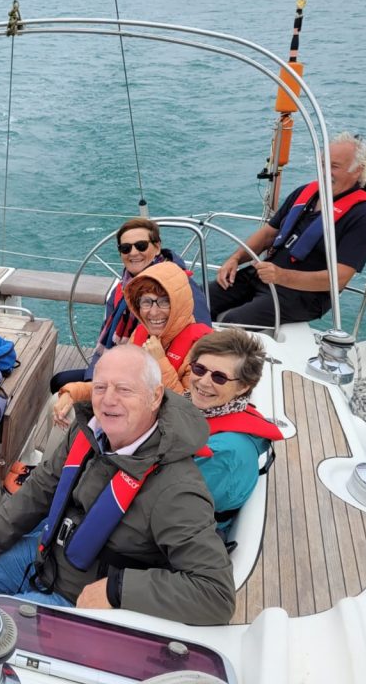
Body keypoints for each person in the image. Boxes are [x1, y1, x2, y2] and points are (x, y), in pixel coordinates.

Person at [0, 345, 235, 626]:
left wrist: (118, 590)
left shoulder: (177, 489)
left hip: (79, 602)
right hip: (42, 558)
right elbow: (42, 487)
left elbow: (216, 594)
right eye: (100, 388)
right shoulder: (89, 430)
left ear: (155, 397)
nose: (108, 400)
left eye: (124, 389)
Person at [210, 133, 366, 327]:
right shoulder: (305, 192)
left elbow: (339, 279)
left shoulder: (363, 216)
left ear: (357, 171)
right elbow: (268, 234)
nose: (324, 172)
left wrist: (281, 276)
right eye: (323, 164)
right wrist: (235, 259)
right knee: (198, 299)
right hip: (265, 276)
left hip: (303, 296)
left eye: (334, 167)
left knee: (234, 321)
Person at [51, 217, 211, 392]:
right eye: (125, 248)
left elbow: (202, 346)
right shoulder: (122, 289)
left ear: (157, 247)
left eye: (141, 245)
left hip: (163, 377)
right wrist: (93, 380)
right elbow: (107, 345)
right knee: (60, 382)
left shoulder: (184, 289)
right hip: (125, 371)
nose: (133, 253)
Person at [53, 261, 213, 426]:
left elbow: (188, 414)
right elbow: (114, 382)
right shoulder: (140, 334)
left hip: (164, 434)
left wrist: (159, 361)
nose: (153, 312)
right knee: (59, 403)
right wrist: (73, 393)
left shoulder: (202, 350)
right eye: (146, 302)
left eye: (165, 302)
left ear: (180, 303)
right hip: (131, 416)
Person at [187, 329, 284, 519]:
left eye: (219, 377)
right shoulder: (210, 410)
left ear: (243, 387)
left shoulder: (224, 454)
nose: (204, 382)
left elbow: (174, 508)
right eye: (199, 369)